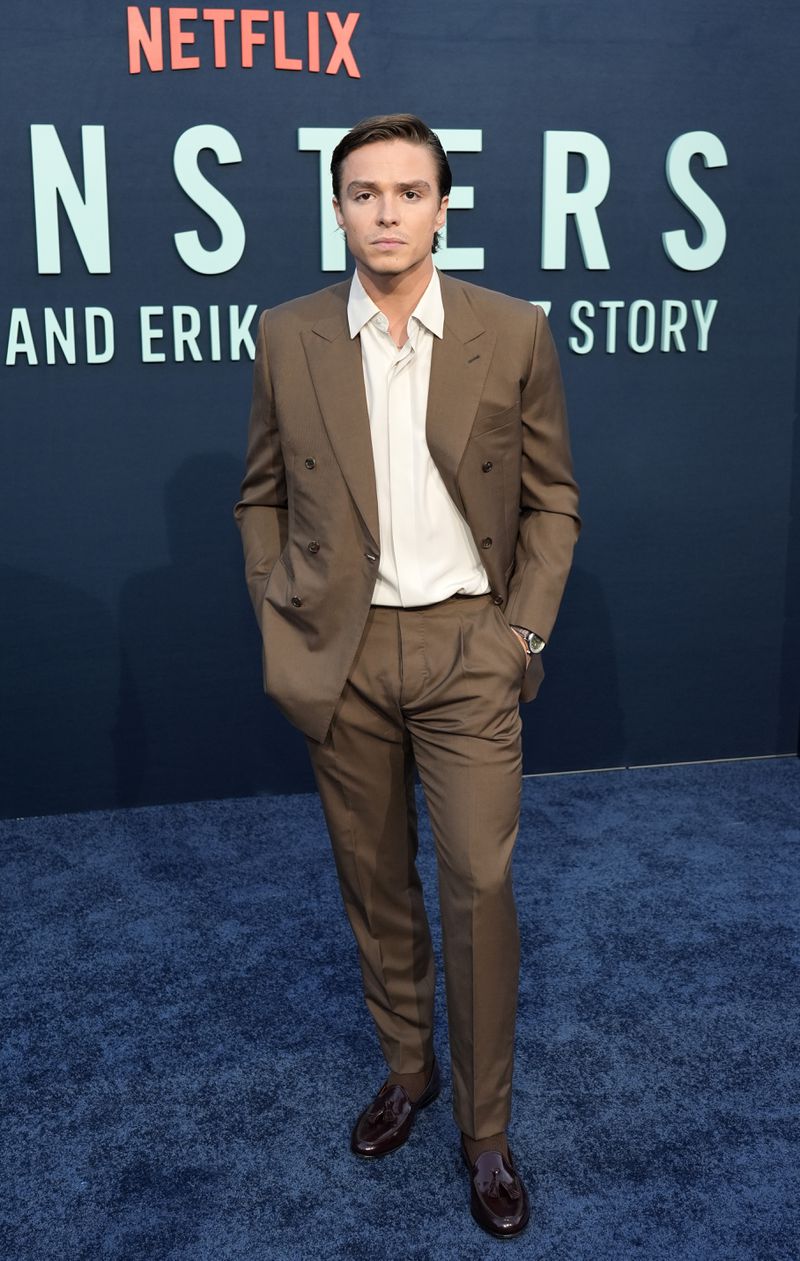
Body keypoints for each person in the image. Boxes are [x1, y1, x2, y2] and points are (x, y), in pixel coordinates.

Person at [235, 114, 580, 1238]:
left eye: (407, 192)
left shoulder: (510, 328)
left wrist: (519, 635)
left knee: (477, 885)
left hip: (465, 649)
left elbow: (551, 501)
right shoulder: (286, 334)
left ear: (442, 207)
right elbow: (261, 496)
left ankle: (485, 1132)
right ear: (336, 208)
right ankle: (407, 1071)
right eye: (363, 192)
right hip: (340, 656)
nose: (385, 212)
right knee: (373, 881)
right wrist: (284, 622)